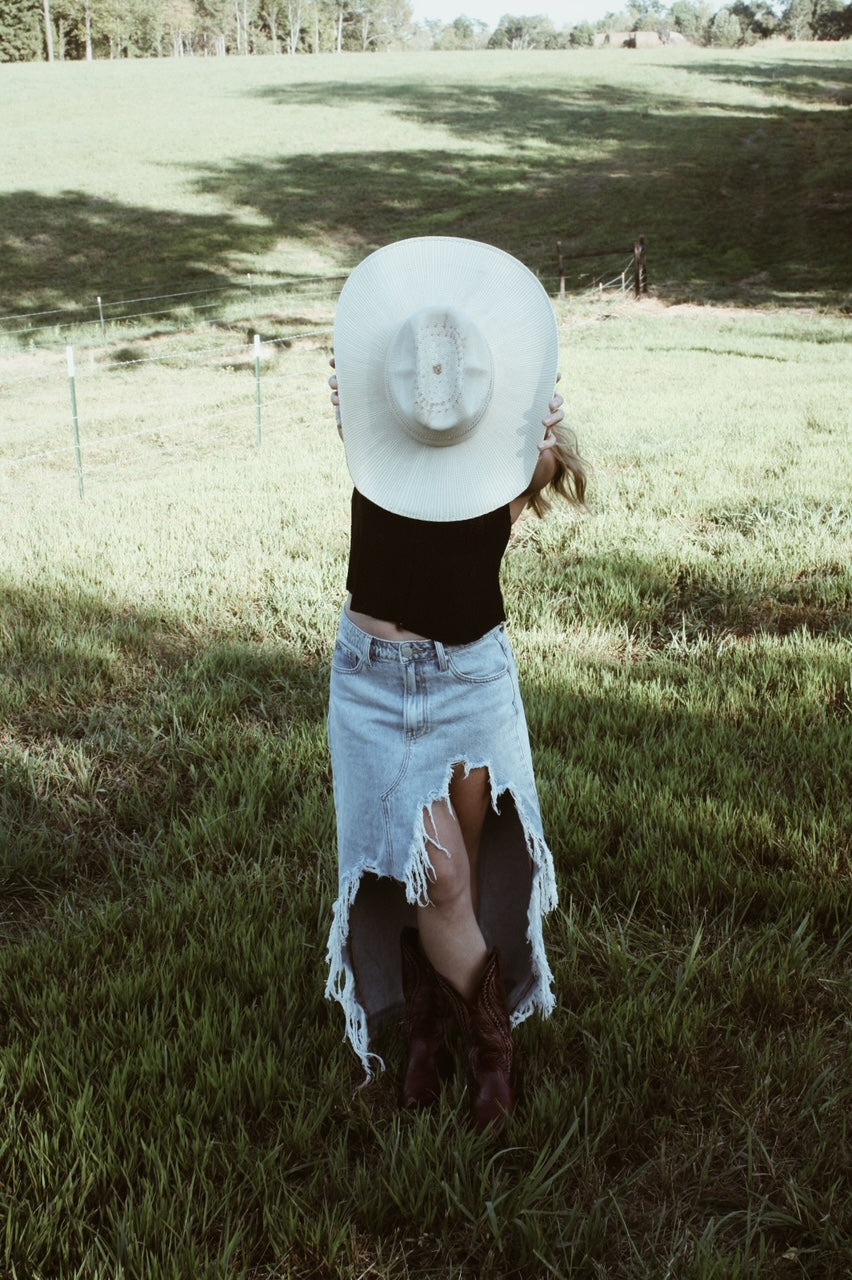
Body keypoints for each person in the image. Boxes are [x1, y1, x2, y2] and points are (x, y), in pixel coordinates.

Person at [324, 236, 586, 1132]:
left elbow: (520, 482)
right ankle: (489, 1058)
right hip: (371, 683)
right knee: (436, 880)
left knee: (452, 884)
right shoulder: (376, 421)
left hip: (468, 681)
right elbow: (359, 382)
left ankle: (435, 1033)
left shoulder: (516, 458)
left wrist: (537, 446)